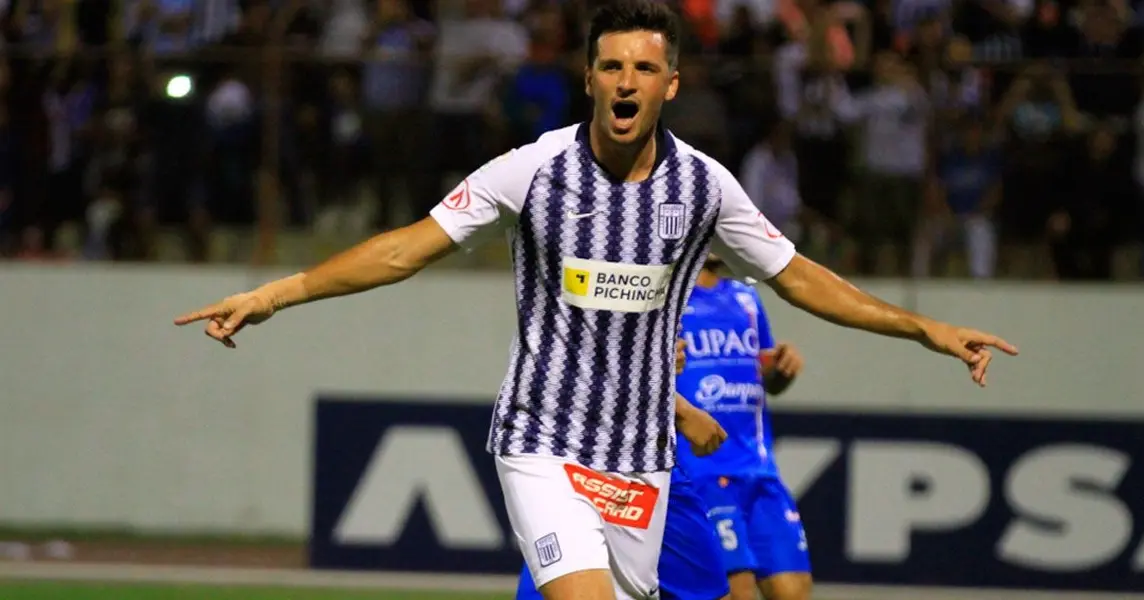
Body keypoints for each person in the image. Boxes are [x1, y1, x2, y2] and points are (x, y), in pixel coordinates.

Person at [173, 1, 1017, 598]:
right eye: (611, 65)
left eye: (644, 68)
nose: (626, 81)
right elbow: (403, 248)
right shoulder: (531, 172)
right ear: (588, 78)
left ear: (670, 85)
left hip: (643, 463)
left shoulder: (705, 188)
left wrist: (925, 329)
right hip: (543, 443)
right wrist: (277, 292)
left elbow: (800, 278)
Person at [513, 339, 734, 600]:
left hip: (649, 464)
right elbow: (583, 357)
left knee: (708, 591)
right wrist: (679, 406)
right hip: (573, 456)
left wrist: (654, 356)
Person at [677, 254, 810, 600]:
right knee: (737, 591)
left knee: (794, 590)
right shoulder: (668, 297)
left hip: (759, 470)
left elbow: (765, 377)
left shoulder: (746, 298)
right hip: (701, 471)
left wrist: (780, 368)